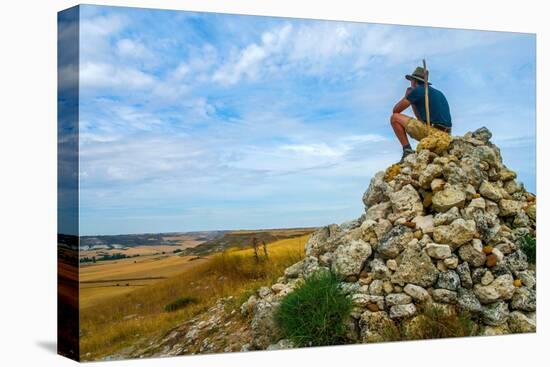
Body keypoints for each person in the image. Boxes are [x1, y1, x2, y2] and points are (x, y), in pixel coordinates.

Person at [390, 66, 452, 162]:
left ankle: (407, 150)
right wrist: (413, 102)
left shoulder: (418, 91)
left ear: (414, 81)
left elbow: (396, 110)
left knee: (394, 118)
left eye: (411, 80)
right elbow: (421, 120)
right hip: (446, 134)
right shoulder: (438, 92)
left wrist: (407, 96)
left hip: (433, 133)